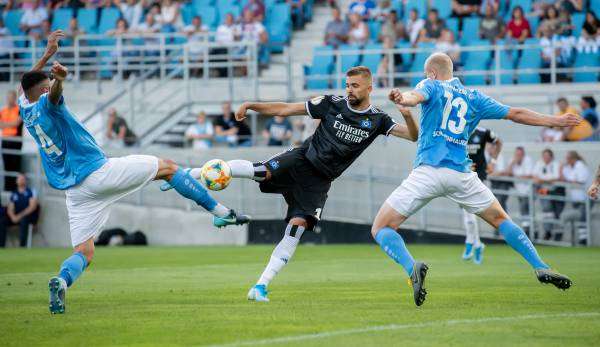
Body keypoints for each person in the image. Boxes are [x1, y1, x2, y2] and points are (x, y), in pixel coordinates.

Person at [19, 31, 249, 314]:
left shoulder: (25, 108)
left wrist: (46, 54)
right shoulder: (46, 101)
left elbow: (27, 83)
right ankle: (221, 214)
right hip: (97, 173)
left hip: (74, 192)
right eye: (48, 82)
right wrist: (60, 80)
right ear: (44, 90)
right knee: (168, 167)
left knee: (85, 252)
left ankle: (62, 281)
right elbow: (52, 95)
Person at [371, 52, 578, 306]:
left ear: (432, 73)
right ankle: (540, 265)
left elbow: (415, 97)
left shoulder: (430, 84)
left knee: (381, 227)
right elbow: (516, 113)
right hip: (461, 174)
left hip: (428, 171)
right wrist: (555, 121)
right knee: (501, 219)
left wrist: (404, 98)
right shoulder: (475, 97)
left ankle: (411, 267)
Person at [202, 66, 419, 302]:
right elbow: (286, 109)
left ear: (369, 87)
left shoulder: (378, 119)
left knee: (297, 227)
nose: (349, 90)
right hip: (301, 160)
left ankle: (260, 286)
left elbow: (412, 136)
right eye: (347, 85)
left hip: (319, 181)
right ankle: (190, 175)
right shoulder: (330, 103)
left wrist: (407, 114)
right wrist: (251, 105)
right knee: (260, 171)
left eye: (355, 86)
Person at [461, 126, 501, 264]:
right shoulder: (455, 129)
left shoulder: (483, 132)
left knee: (471, 213)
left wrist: (493, 162)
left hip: (479, 176)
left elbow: (498, 142)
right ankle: (477, 244)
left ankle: (470, 242)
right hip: (461, 175)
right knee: (469, 214)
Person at [0, 173, 39, 248]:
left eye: (22, 179)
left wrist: (19, 216)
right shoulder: (14, 193)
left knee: (24, 220)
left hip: (26, 216)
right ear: (16, 181)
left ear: (25, 181)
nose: (21, 180)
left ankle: (22, 246)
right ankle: (1, 246)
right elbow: (10, 208)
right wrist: (13, 217)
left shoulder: (31, 191)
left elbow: (32, 207)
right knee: (2, 220)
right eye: (19, 179)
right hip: (15, 216)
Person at [559, 151, 590, 244]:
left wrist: (570, 181)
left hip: (585, 198)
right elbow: (563, 179)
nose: (567, 161)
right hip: (576, 199)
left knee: (582, 217)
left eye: (568, 159)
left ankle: (583, 240)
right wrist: (561, 168)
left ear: (573, 159)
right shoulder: (569, 168)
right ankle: (582, 238)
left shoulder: (580, 166)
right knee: (581, 218)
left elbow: (581, 181)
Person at [532, 149, 563, 240]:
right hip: (544, 190)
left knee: (557, 213)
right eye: (544, 156)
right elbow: (535, 176)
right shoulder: (539, 163)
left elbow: (557, 177)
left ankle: (557, 234)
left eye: (547, 156)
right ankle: (548, 231)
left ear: (551, 156)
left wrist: (542, 180)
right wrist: (547, 180)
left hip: (556, 191)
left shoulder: (556, 164)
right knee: (546, 209)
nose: (545, 158)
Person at [0, 90, 22, 192]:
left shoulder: (19, 110)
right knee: (6, 165)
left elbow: (17, 123)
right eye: (8, 97)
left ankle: (15, 188)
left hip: (15, 141)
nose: (10, 99)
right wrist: (10, 124)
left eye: (12, 97)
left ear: (15, 98)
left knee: (15, 165)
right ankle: (7, 188)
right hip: (5, 140)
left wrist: (5, 124)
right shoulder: (3, 111)